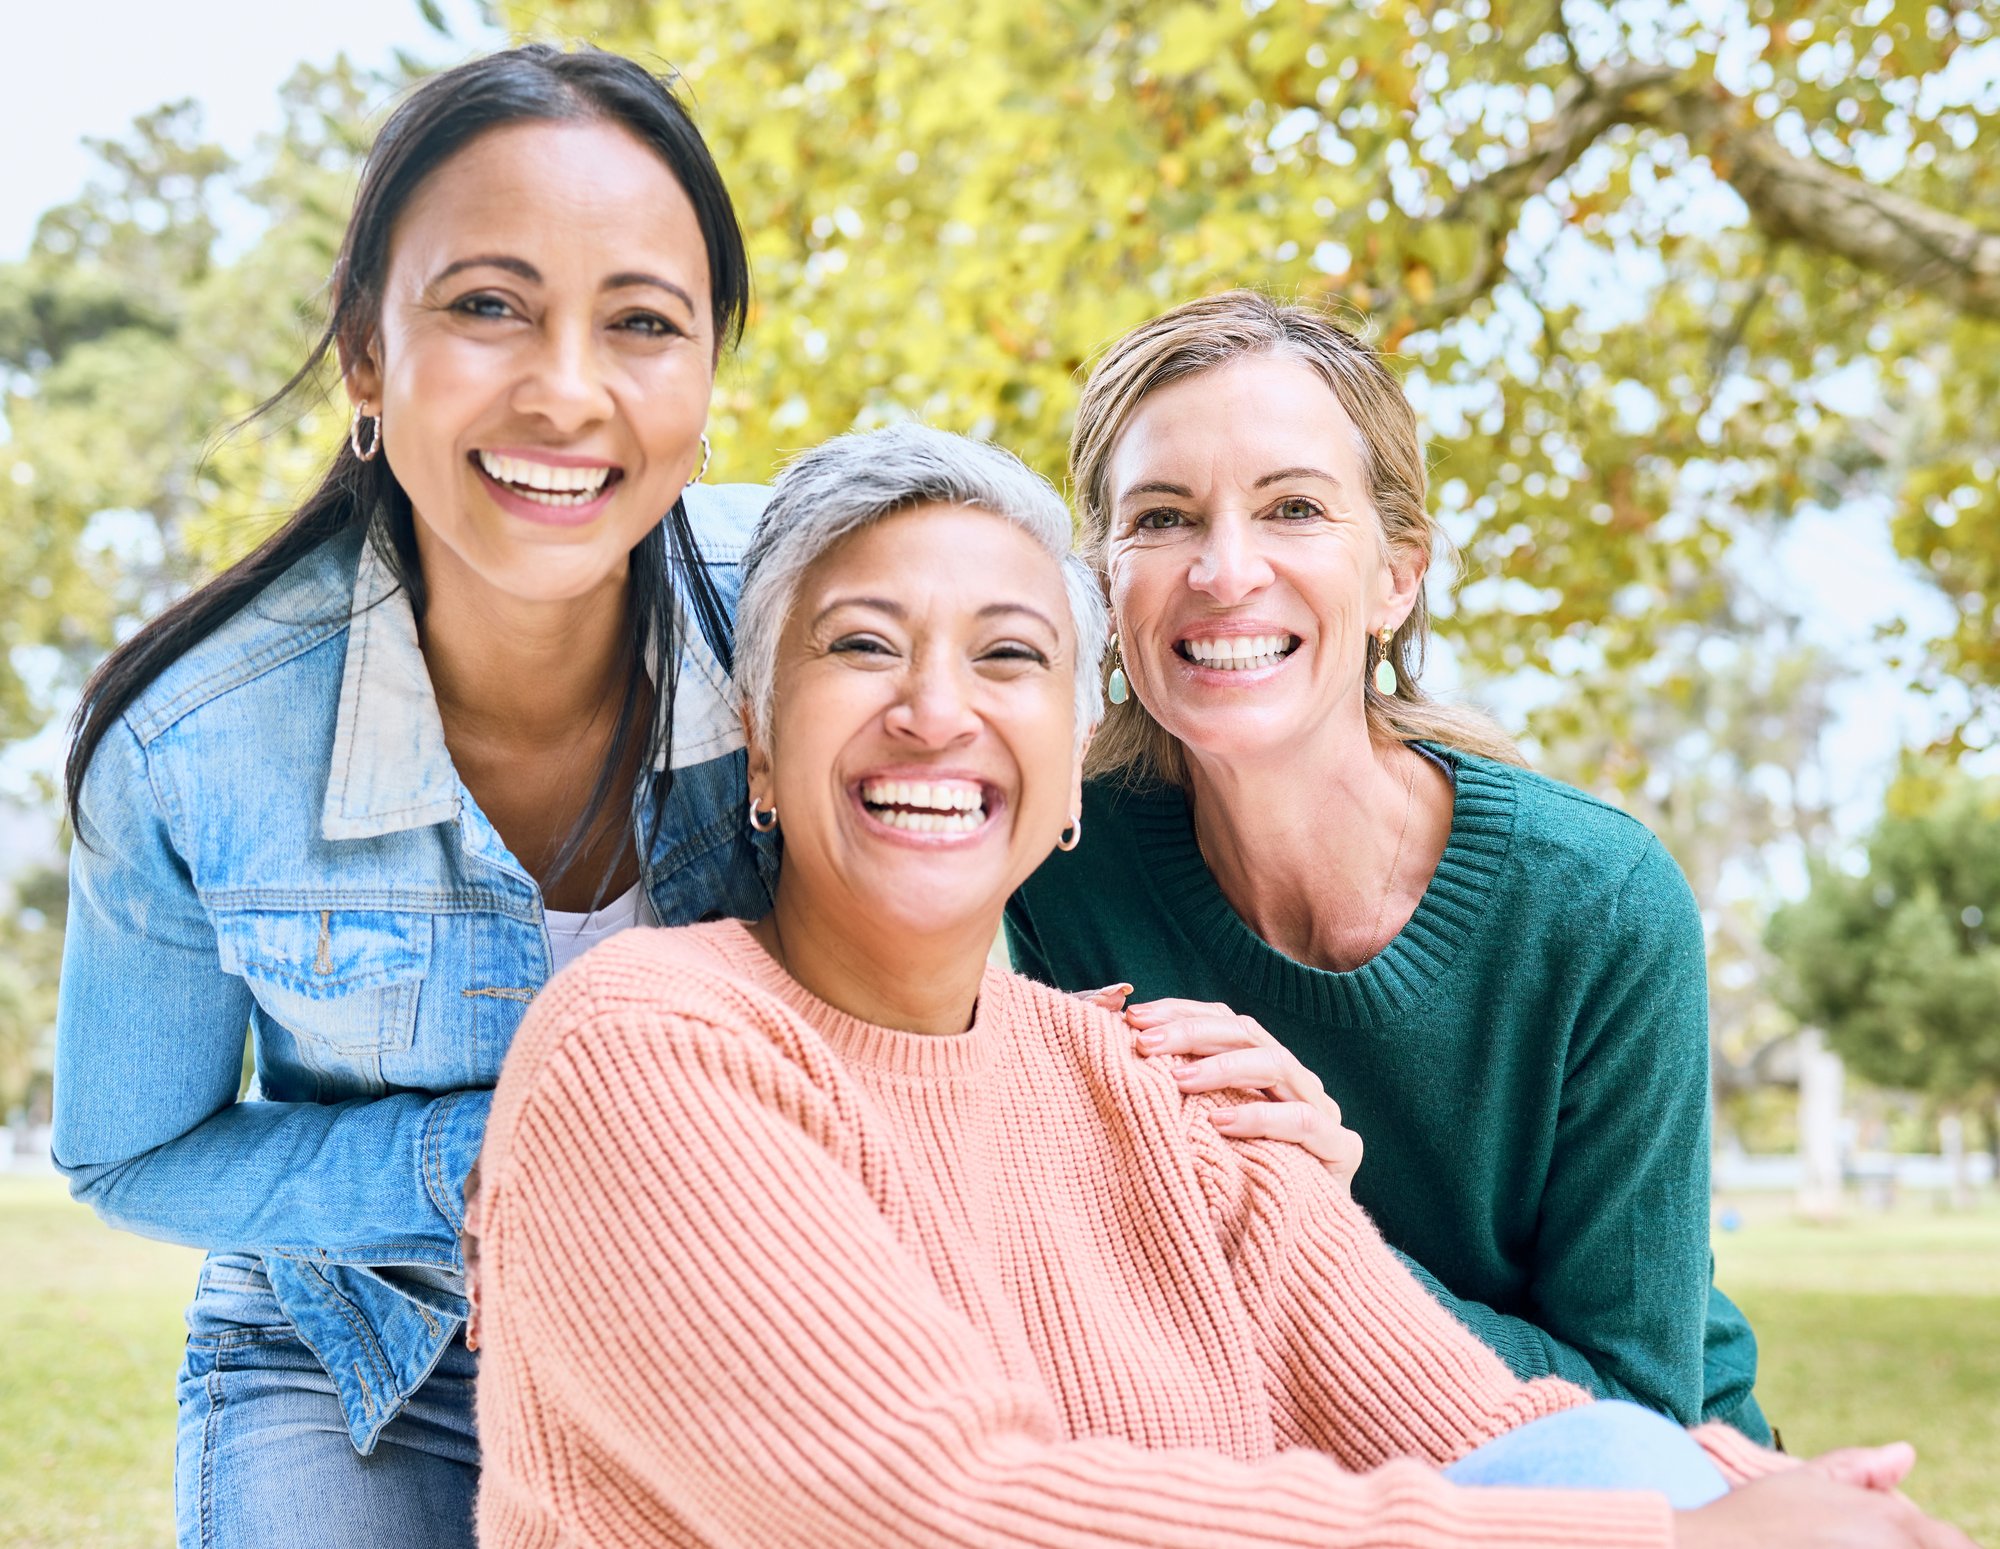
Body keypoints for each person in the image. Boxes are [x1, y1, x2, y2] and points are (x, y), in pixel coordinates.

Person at [469, 424, 1971, 1549]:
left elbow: (1483, 1430)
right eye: (864, 648)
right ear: (761, 742)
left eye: (1009, 658)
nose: (937, 712)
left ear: (1066, 772)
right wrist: (1666, 1538)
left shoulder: (1155, 1083)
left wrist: (1749, 1491)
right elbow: (947, 1513)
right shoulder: (648, 1049)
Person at [53, 45, 773, 1549]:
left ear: (709, 375)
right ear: (368, 357)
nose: (566, 390)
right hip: (360, 1349)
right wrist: (487, 1155)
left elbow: (1052, 700)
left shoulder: (815, 618)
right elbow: (130, 1152)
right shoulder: (197, 742)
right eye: (488, 306)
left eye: (642, 322)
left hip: (730, 1333)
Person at [1007, 290, 1769, 1438]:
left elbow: (1636, 1416)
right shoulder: (1045, 871)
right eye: (1161, 518)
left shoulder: (1595, 904)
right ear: (1105, 585)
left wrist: (1319, 1227)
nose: (1223, 570)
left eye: (1293, 508)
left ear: (1394, 577)